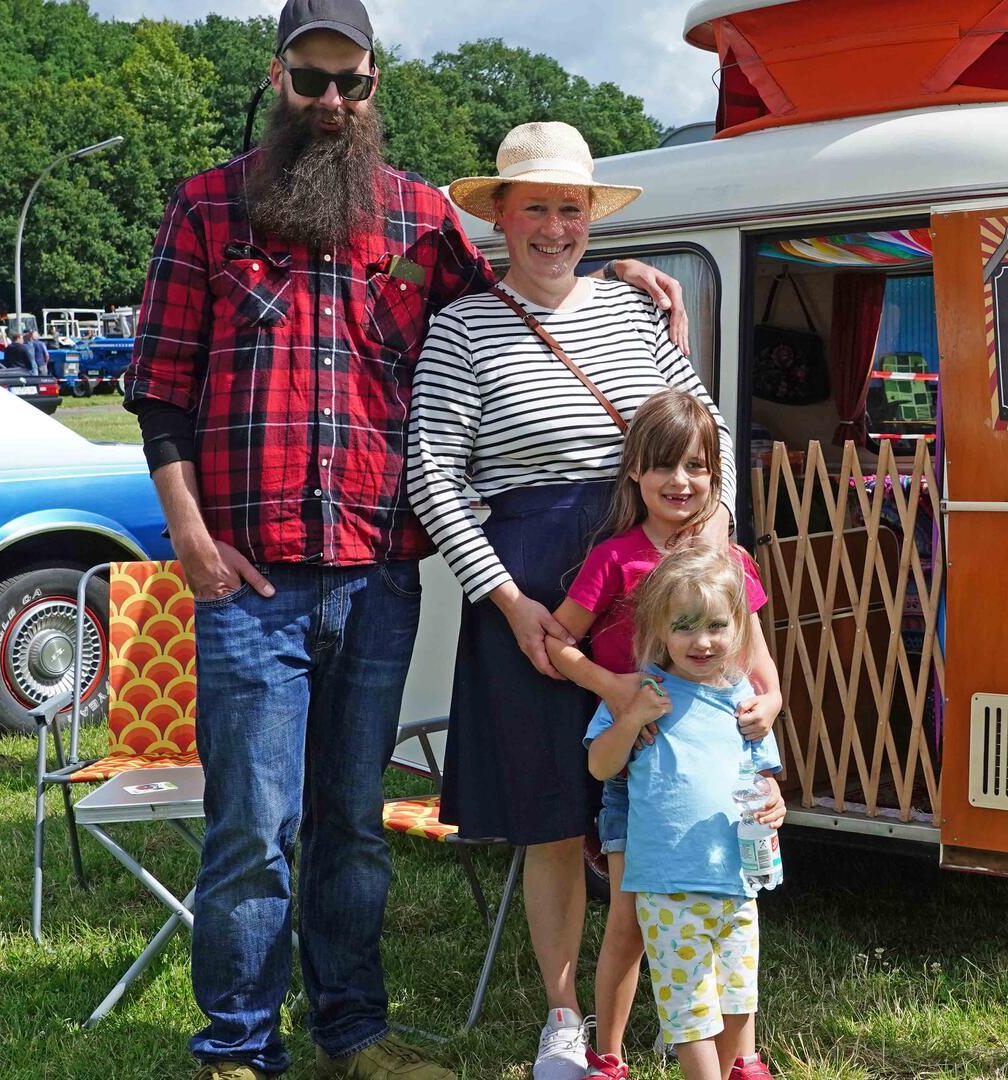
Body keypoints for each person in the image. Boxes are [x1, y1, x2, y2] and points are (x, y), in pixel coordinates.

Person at [124, 4, 686, 1076]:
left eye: (352, 81)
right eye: (310, 78)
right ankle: (238, 1045)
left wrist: (615, 280)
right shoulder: (206, 207)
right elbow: (157, 391)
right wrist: (190, 537)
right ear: (280, 75)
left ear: (377, 83)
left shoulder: (420, 218)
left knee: (353, 822)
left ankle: (353, 1034)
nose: (331, 101)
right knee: (254, 822)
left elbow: (521, 303)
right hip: (250, 578)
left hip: (379, 576)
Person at [406, 125, 763, 1080]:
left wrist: (709, 543)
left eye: (572, 208)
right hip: (530, 582)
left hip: (648, 576)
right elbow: (433, 470)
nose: (555, 227)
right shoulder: (463, 326)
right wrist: (504, 597)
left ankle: (671, 1000)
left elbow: (708, 430)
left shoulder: (636, 312)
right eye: (536, 208)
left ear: (590, 219)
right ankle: (566, 1017)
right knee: (553, 813)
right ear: (501, 218)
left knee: (659, 785)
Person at [544, 391, 784, 1080]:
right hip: (638, 766)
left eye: (697, 467)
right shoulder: (615, 558)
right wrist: (614, 690)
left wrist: (772, 704)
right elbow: (558, 640)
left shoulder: (730, 562)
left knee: (735, 924)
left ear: (715, 475)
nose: (681, 482)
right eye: (663, 467)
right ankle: (609, 1054)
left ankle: (741, 1056)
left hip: (721, 771)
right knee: (628, 921)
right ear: (634, 474)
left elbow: (758, 658)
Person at [585, 539, 783, 1080]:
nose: (702, 641)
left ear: (739, 628)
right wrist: (633, 719)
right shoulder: (643, 694)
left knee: (738, 995)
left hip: (737, 880)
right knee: (690, 1005)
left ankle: (741, 1067)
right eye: (685, 626)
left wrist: (774, 801)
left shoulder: (744, 700)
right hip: (669, 883)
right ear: (658, 629)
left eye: (717, 626)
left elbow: (763, 777)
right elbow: (601, 766)